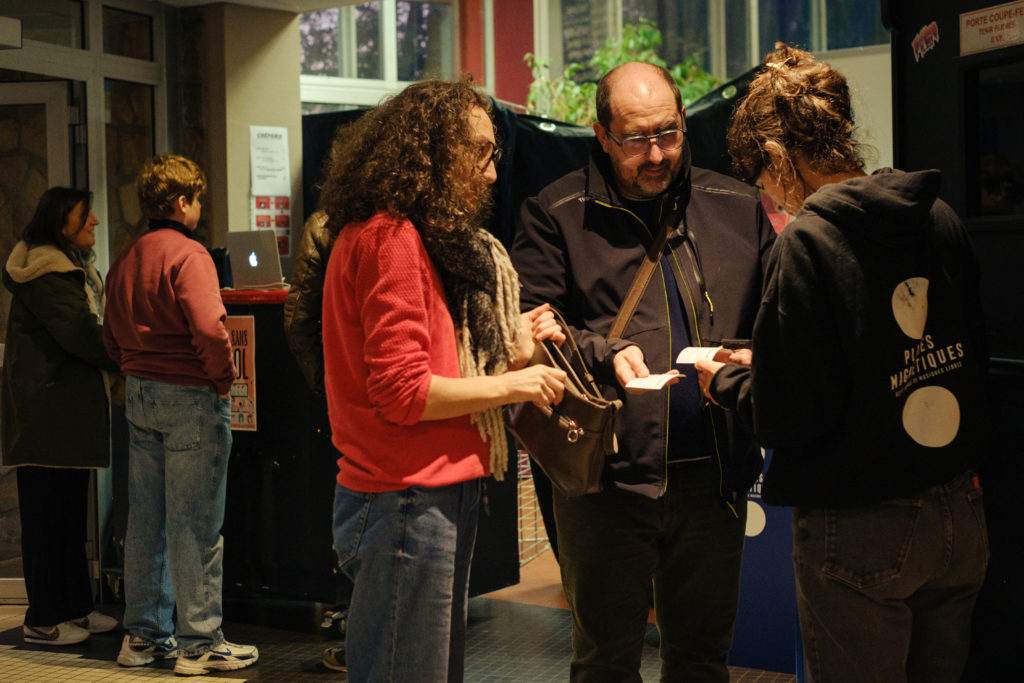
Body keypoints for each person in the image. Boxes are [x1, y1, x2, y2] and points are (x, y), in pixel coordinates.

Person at [696, 44, 990, 683]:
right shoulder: (935, 215)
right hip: (958, 515)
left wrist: (728, 380)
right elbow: (936, 351)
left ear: (777, 155)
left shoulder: (808, 241)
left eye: (766, 182)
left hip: (862, 527)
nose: (774, 201)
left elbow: (789, 415)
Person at [511, 61, 774, 681]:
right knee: (604, 662)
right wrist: (603, 351)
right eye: (635, 140)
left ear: (682, 120)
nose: (656, 155)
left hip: (715, 479)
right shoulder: (557, 213)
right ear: (601, 135)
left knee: (703, 662)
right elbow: (526, 328)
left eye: (668, 134)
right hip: (604, 483)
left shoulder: (737, 205)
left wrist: (750, 355)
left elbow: (778, 316)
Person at [317, 78, 566, 683]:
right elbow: (404, 395)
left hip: (415, 495)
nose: (490, 173)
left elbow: (432, 365)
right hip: (406, 497)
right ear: (431, 150)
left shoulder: (399, 235)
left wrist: (512, 345)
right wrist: (516, 384)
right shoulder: (393, 238)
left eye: (493, 154)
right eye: (478, 152)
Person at [103, 154, 258, 676]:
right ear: (180, 202)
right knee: (195, 525)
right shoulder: (190, 255)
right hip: (190, 396)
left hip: (139, 394)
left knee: (147, 521)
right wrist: (222, 379)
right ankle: (199, 643)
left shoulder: (127, 256)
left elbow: (109, 332)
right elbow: (211, 329)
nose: (199, 208)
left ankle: (142, 637)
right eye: (196, 199)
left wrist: (132, 364)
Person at [1, 188, 121, 646]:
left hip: (60, 418)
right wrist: (131, 353)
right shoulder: (49, 272)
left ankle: (75, 608)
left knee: (68, 520)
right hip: (47, 419)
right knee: (47, 523)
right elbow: (83, 335)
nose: (94, 221)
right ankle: (43, 619)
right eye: (83, 214)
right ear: (60, 222)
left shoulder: (69, 266)